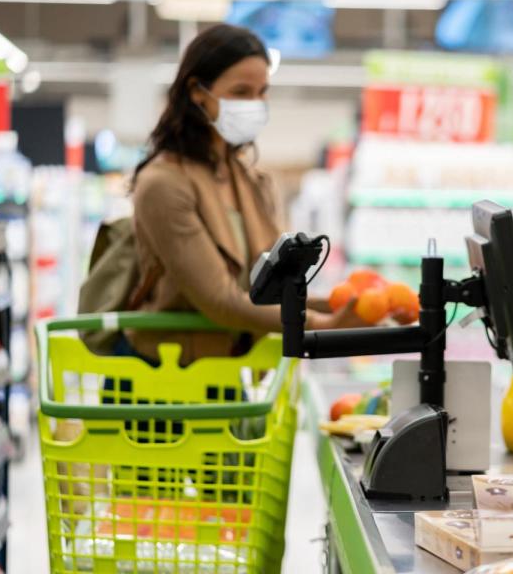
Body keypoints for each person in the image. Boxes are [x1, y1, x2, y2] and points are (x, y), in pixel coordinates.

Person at [127, 24, 362, 363]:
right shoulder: (163, 183)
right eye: (241, 92)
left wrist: (350, 305)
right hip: (166, 380)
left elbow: (269, 291)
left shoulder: (251, 180)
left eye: (262, 91)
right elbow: (220, 300)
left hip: (233, 376)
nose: (256, 104)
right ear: (197, 92)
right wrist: (319, 323)